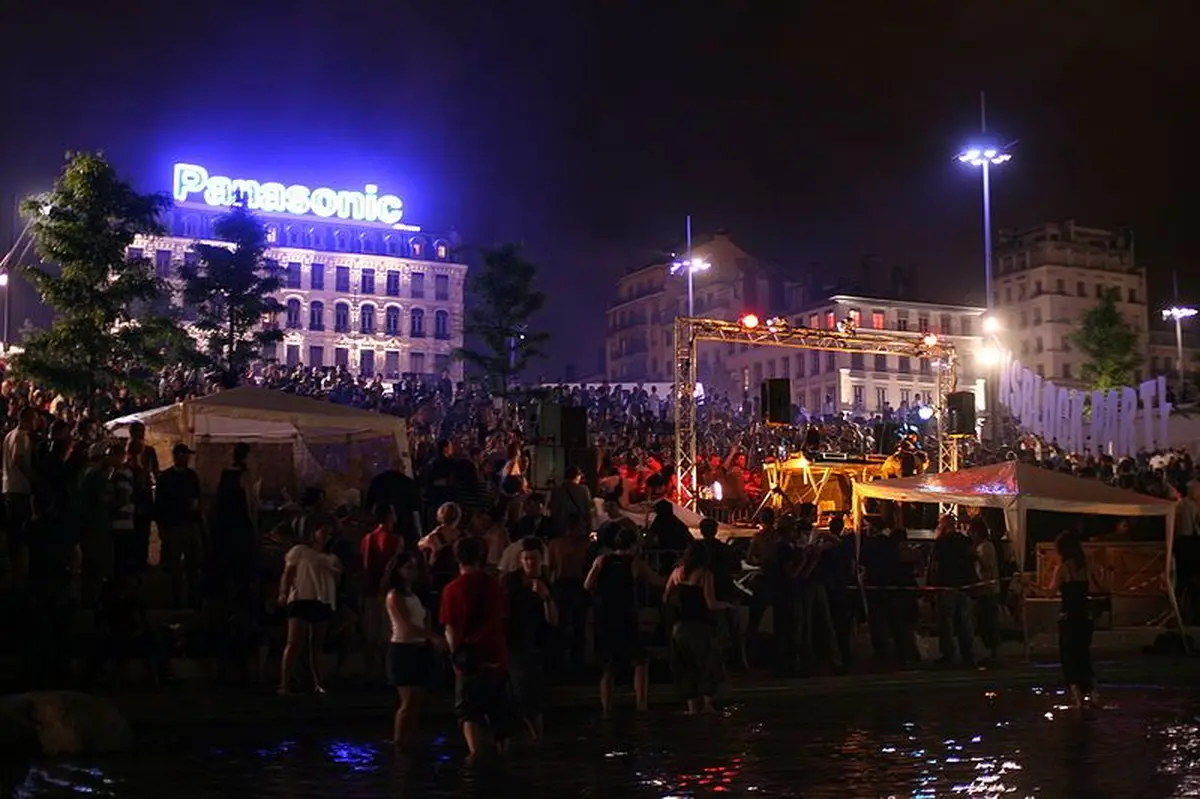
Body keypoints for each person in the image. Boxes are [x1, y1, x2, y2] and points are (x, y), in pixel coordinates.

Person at [439, 535, 512, 761]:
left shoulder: (452, 590)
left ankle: (475, 758)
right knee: (500, 715)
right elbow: (504, 617)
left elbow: (451, 629)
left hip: (469, 663)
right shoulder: (495, 586)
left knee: (468, 712)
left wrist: (455, 656)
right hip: (496, 657)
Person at [584, 524, 662, 716]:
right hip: (626, 614)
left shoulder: (602, 560)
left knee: (609, 665)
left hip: (606, 614)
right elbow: (655, 581)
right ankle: (641, 705)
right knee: (640, 660)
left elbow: (587, 585)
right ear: (634, 544)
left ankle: (606, 708)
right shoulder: (635, 562)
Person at [664, 541, 730, 714]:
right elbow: (710, 604)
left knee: (686, 669)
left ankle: (692, 709)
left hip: (678, 628)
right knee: (707, 665)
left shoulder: (676, 573)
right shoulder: (705, 575)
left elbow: (665, 597)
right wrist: (728, 605)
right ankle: (708, 707)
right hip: (698, 626)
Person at [502, 537, 558, 741]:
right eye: (526, 559)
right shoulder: (510, 582)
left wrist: (545, 597)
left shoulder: (545, 583)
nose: (529, 564)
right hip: (514, 642)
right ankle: (531, 736)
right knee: (520, 692)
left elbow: (553, 620)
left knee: (533, 695)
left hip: (535, 643)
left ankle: (537, 738)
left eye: (533, 559)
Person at [277, 522, 342, 695]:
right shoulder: (300, 551)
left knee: (316, 645)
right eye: (323, 532)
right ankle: (284, 682)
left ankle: (318, 683)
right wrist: (283, 592)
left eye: (329, 534)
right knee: (294, 642)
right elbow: (288, 573)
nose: (326, 536)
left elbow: (337, 579)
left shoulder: (331, 558)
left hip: (322, 600)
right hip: (301, 597)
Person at [383, 552, 439, 749]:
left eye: (413, 567)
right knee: (407, 702)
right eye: (408, 567)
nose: (412, 571)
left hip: (418, 648)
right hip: (402, 649)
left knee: (416, 701)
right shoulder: (394, 595)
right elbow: (405, 625)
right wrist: (432, 636)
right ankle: (398, 742)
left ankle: (410, 740)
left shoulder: (413, 595)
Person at [154, 443, 204, 609]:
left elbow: (197, 499)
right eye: (185, 455)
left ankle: (193, 598)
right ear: (178, 456)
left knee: (193, 564)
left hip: (189, 524)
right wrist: (162, 527)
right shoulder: (166, 478)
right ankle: (178, 599)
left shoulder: (191, 476)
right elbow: (159, 505)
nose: (188, 458)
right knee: (175, 565)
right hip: (175, 525)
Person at [1052, 530, 1096, 708]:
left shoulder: (1063, 569)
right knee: (1084, 655)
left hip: (1069, 617)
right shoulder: (1087, 565)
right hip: (1085, 617)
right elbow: (1098, 586)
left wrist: (1028, 584)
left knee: (1069, 657)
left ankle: (1077, 698)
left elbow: (1049, 592)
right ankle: (1093, 693)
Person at [361, 503, 403, 683]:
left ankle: (370, 671)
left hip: (369, 590)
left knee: (371, 633)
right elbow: (393, 566)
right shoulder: (395, 539)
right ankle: (387, 672)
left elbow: (365, 566)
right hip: (388, 592)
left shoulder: (367, 538)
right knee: (388, 633)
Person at [969, 517, 1001, 663]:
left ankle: (993, 650)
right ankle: (989, 648)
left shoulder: (985, 547)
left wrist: (976, 557)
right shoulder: (982, 546)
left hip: (988, 589)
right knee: (983, 620)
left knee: (988, 620)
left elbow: (987, 566)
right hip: (983, 588)